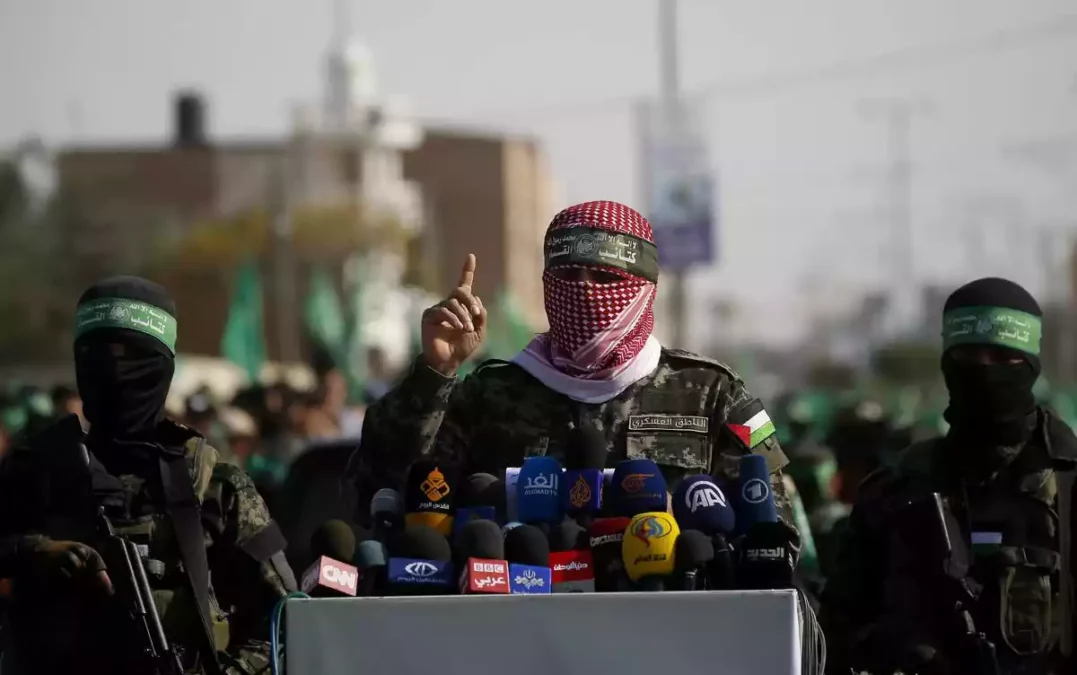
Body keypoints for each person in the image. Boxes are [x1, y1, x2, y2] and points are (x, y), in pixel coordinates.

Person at [348, 200, 800, 539]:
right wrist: (435, 372)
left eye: (604, 280)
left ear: (645, 290)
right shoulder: (489, 394)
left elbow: (776, 528)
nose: (584, 294)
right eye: (568, 278)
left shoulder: (711, 394)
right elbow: (382, 483)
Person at [0, 276, 295, 675]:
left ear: (162, 368)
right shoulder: (35, 472)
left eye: (133, 359)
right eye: (100, 358)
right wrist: (32, 552)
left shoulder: (216, 486)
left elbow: (284, 619)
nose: (115, 375)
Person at [819, 277, 1077, 675]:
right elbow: (834, 631)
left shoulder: (1067, 486)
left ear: (1029, 364)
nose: (984, 371)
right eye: (970, 356)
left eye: (1002, 356)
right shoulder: (896, 491)